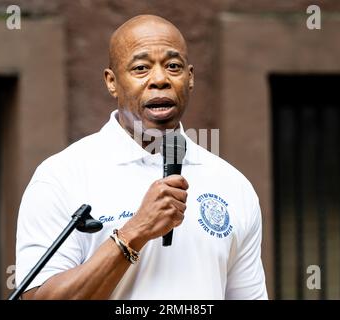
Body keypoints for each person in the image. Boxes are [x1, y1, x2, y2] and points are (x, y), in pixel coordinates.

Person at [15, 14, 268, 300]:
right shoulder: (62, 177)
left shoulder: (232, 185)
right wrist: (134, 232)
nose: (160, 79)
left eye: (173, 66)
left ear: (190, 77)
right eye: (140, 68)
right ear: (112, 82)